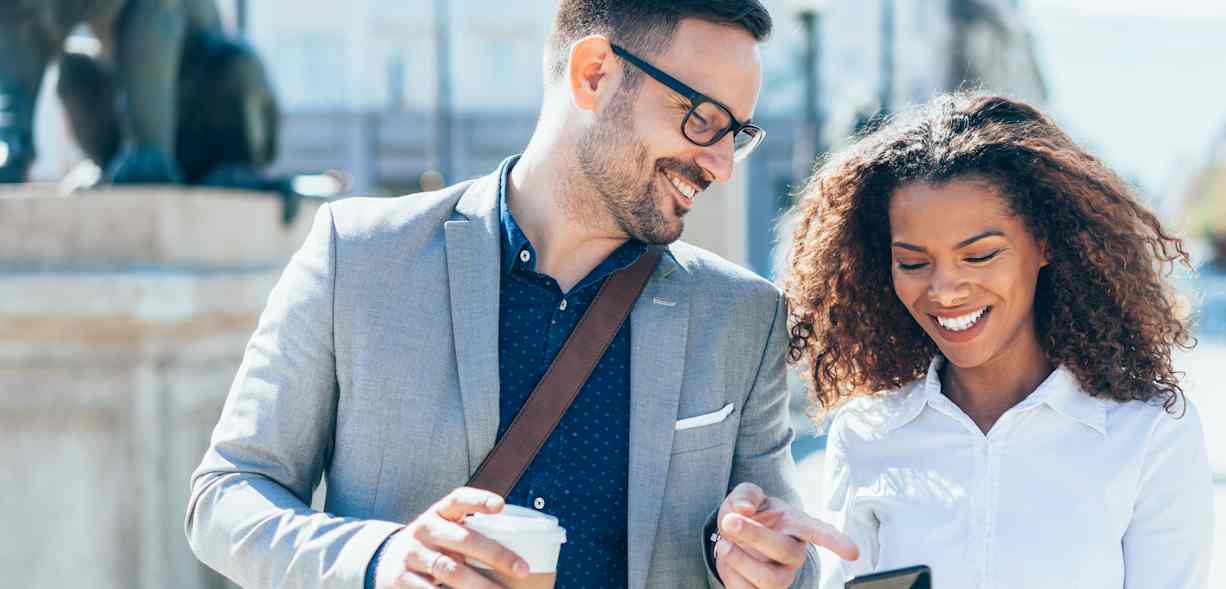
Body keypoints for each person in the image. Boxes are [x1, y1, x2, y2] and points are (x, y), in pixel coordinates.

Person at [185, 2, 856, 588]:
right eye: (703, 119)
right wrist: (379, 560)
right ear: (594, 73)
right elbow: (225, 497)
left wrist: (758, 562)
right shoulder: (358, 254)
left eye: (737, 134)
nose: (718, 162)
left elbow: (784, 553)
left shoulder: (745, 315)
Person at [782, 93, 1214, 588]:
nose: (943, 290)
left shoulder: (1149, 436)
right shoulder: (865, 434)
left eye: (980, 255)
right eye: (914, 263)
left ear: (1045, 243)